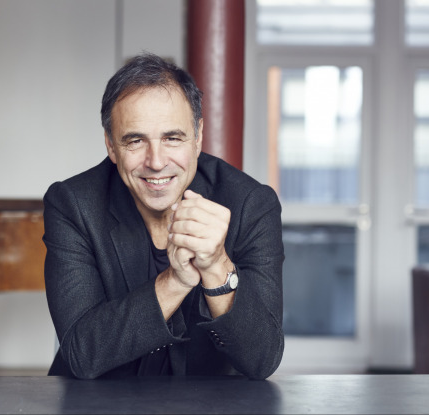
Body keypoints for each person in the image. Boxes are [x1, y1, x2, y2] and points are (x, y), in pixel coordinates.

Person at [43, 53, 284, 380]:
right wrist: (175, 282)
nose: (156, 162)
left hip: (210, 401)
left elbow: (262, 359)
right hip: (98, 399)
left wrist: (216, 266)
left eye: (172, 138)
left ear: (198, 137)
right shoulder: (74, 204)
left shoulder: (251, 205)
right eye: (135, 140)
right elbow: (82, 354)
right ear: (111, 145)